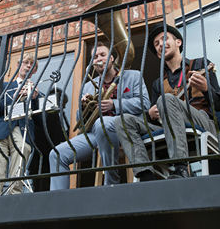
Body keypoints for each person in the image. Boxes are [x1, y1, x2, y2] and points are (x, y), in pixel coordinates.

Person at [114, 23, 220, 180]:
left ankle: (180, 167)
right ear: (159, 55)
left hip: (203, 123)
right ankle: (146, 177)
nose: (160, 44)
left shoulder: (201, 64)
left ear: (178, 42)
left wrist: (206, 88)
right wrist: (149, 115)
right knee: (122, 120)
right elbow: (152, 118)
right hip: (169, 130)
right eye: (156, 44)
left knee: (165, 99)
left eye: (164, 39)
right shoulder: (158, 83)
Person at [49, 41, 150, 190]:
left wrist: (114, 104)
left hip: (125, 127)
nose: (99, 59)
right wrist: (84, 108)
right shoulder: (89, 85)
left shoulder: (133, 75)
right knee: (56, 154)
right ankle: (57, 203)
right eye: (95, 57)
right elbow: (80, 120)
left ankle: (111, 181)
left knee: (103, 123)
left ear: (111, 58)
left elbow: (144, 103)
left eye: (103, 55)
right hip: (96, 133)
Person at [0, 53, 42, 196]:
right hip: (2, 130)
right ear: (18, 66)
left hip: (23, 132)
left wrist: (35, 99)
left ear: (35, 71)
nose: (29, 66)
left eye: (32, 65)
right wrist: (14, 96)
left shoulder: (37, 92)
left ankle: (14, 197)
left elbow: (41, 120)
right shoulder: (5, 86)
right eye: (25, 63)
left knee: (21, 155)